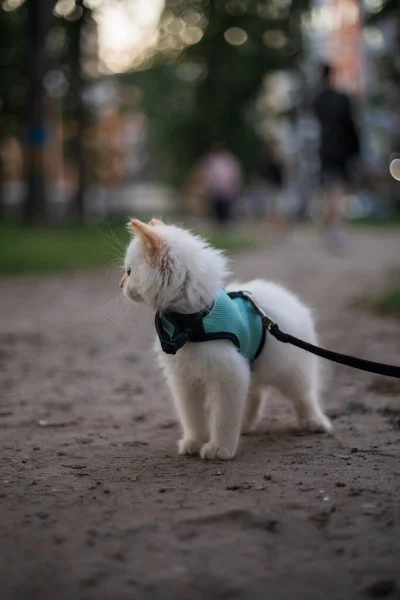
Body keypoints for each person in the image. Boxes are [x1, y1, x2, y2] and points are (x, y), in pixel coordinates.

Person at [313, 64, 361, 250]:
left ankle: (331, 228)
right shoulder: (343, 99)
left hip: (326, 153)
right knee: (340, 193)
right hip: (343, 153)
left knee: (330, 193)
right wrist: (356, 152)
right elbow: (352, 127)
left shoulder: (317, 100)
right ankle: (337, 230)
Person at [199, 143, 243, 225]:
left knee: (225, 208)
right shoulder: (213, 160)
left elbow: (235, 175)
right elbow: (209, 174)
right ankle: (219, 223)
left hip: (226, 189)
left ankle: (224, 223)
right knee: (217, 208)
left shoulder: (230, 161)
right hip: (217, 189)